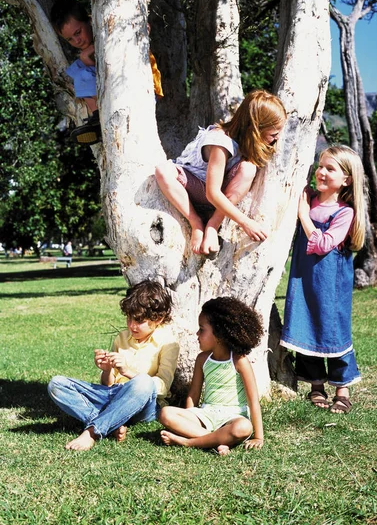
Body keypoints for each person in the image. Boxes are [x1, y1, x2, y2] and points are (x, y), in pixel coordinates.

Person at [280, 145, 366, 414]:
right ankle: (316, 386)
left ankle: (342, 389)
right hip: (304, 277)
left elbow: (324, 244)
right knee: (305, 323)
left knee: (333, 329)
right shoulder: (309, 197)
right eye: (320, 166)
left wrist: (304, 215)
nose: (322, 172)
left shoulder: (344, 212)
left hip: (331, 284)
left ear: (346, 180)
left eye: (331, 168)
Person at [48, 280, 179, 451]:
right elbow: (108, 386)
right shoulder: (122, 338)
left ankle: (93, 431)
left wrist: (128, 371)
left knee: (143, 383)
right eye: (129, 318)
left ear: (158, 318)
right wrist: (107, 370)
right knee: (56, 384)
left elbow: (161, 387)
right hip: (113, 395)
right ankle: (111, 422)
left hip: (143, 404)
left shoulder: (168, 343)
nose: (132, 325)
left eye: (139, 320)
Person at [155, 90, 287, 257]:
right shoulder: (220, 142)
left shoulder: (244, 144)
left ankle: (212, 224)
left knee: (248, 168)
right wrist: (246, 223)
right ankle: (197, 223)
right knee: (163, 170)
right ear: (256, 128)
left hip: (217, 194)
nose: (276, 139)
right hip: (193, 187)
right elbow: (212, 193)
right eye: (273, 134)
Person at [159, 296, 265, 455]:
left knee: (243, 428)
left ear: (220, 335)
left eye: (202, 329)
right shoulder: (202, 359)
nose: (197, 333)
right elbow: (194, 394)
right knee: (165, 413)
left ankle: (189, 442)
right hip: (206, 415)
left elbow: (253, 400)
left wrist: (259, 437)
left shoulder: (239, 361)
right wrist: (189, 417)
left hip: (233, 417)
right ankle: (215, 441)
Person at [50, 0, 164, 145]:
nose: (77, 41)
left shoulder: (109, 34)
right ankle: (97, 119)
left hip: (145, 87)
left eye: (78, 32)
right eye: (70, 39)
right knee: (79, 72)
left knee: (83, 73)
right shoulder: (86, 53)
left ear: (90, 21)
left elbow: (140, 30)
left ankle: (99, 119)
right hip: (118, 93)